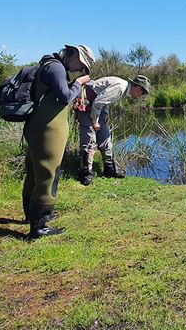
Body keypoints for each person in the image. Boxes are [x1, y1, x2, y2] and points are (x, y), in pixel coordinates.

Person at [22, 44, 94, 238]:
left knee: (35, 173)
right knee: (49, 175)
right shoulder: (56, 68)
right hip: (47, 130)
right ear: (75, 55)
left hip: (39, 128)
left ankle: (31, 216)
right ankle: (39, 226)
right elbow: (65, 97)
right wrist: (78, 82)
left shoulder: (49, 65)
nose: (80, 69)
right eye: (81, 64)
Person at [75, 74, 151, 185]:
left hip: (96, 107)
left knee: (106, 138)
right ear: (137, 87)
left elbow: (105, 100)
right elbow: (99, 102)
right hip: (87, 104)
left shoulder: (123, 88)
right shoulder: (120, 87)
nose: (141, 95)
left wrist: (105, 116)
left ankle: (109, 170)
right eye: (142, 92)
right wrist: (95, 121)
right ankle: (86, 173)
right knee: (89, 140)